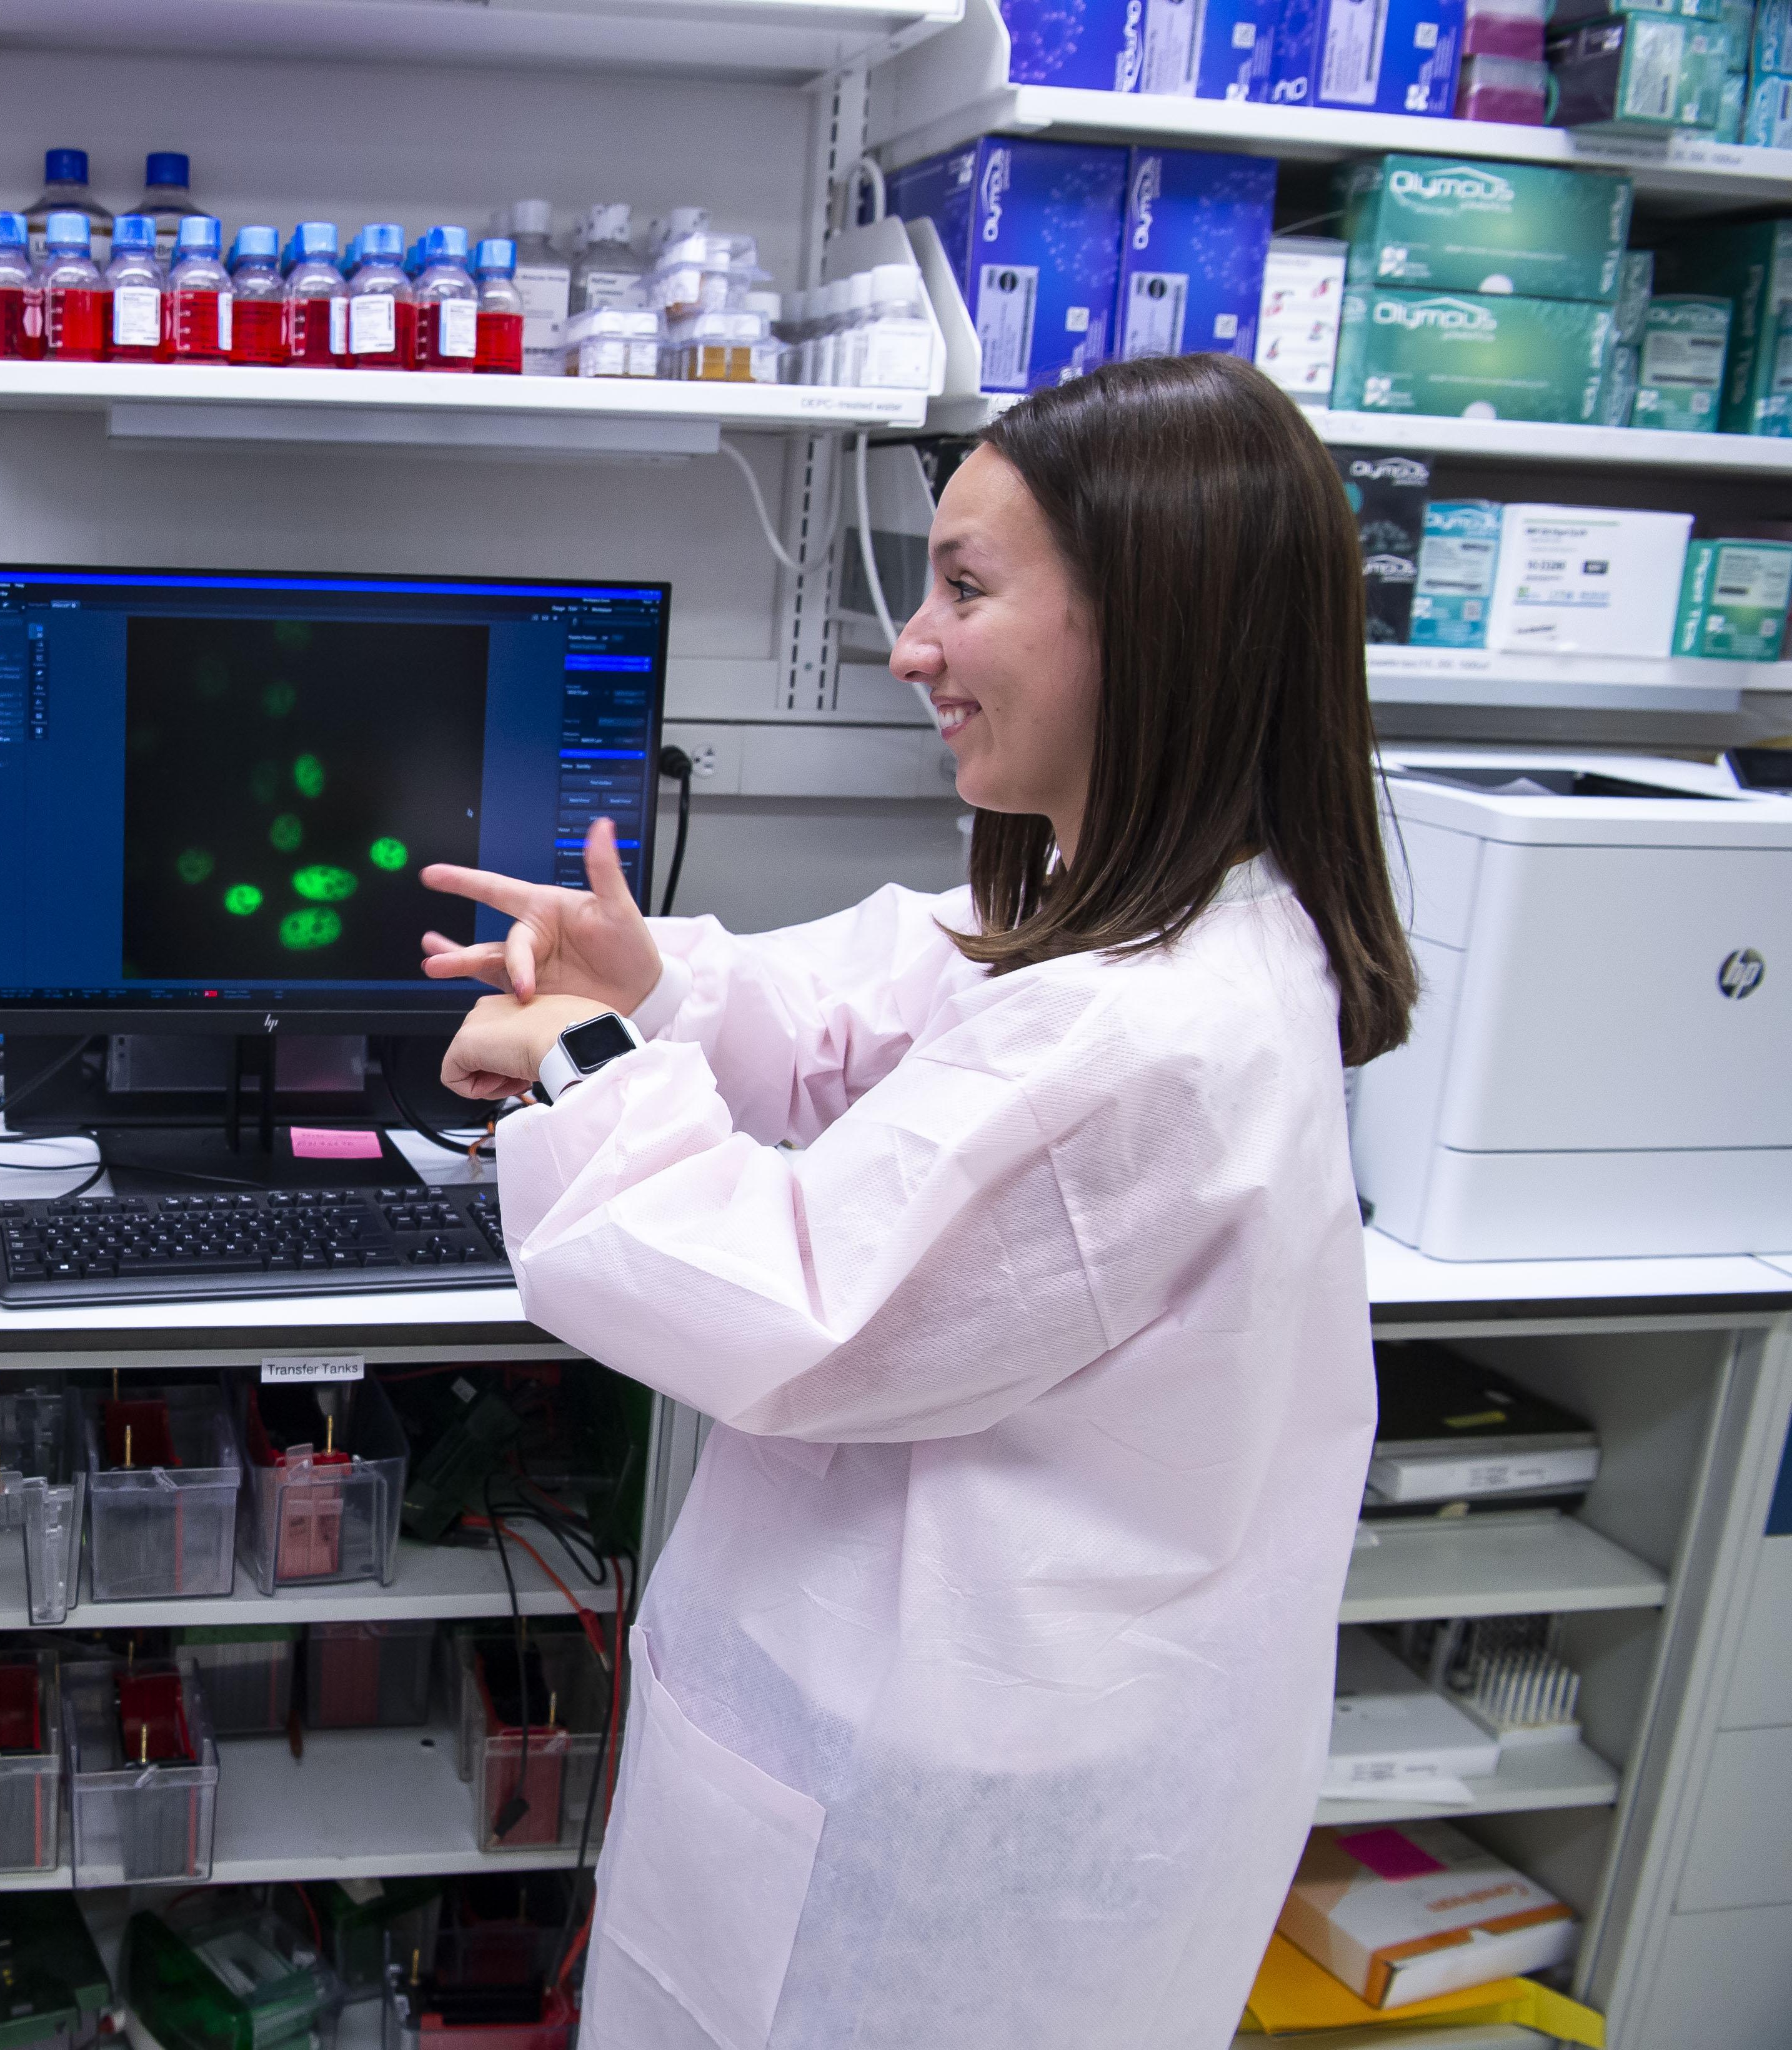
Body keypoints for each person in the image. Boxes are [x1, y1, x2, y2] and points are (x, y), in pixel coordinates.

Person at [424, 352, 1416, 2048]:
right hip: (938, 1750)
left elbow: (794, 1307)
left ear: (1151, 623)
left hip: (951, 1856)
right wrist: (651, 985)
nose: (911, 646)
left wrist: (581, 1060)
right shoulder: (1153, 918)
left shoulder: (1149, 1033)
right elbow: (868, 1006)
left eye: (965, 589)